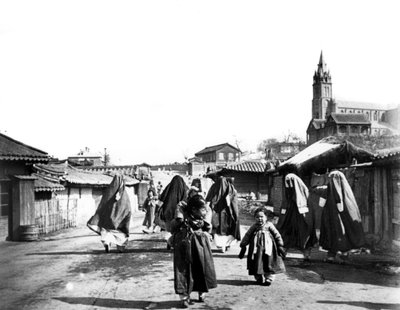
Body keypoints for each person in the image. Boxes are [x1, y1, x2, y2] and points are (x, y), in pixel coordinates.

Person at [170, 194, 217, 308]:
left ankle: (202, 292)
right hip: (184, 246)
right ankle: (184, 297)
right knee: (183, 270)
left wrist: (206, 230)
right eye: (202, 210)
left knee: (201, 267)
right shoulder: (182, 218)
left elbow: (209, 228)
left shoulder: (204, 219)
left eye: (205, 210)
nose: (205, 212)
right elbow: (172, 228)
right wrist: (180, 220)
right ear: (194, 209)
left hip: (201, 246)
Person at [318, 170, 365, 263]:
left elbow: (321, 203)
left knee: (333, 234)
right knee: (343, 233)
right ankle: (343, 255)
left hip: (331, 218)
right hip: (341, 219)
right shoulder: (346, 191)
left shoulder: (328, 189)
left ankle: (332, 256)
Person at [239, 206, 286, 286]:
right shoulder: (254, 226)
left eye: (261, 217)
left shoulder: (269, 225)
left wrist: (280, 245)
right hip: (256, 248)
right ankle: (258, 277)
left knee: (269, 262)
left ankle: (269, 278)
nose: (259, 219)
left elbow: (277, 235)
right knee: (256, 262)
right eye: (257, 217)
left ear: (266, 217)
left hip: (268, 248)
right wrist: (243, 245)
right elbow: (248, 235)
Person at [277, 173, 318, 261]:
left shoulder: (303, 191)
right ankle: (284, 251)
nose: (288, 184)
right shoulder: (288, 193)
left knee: (304, 234)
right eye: (287, 182)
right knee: (286, 232)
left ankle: (306, 254)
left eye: (290, 182)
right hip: (290, 216)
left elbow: (306, 205)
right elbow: (285, 203)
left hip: (301, 218)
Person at [87, 174, 131, 253]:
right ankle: (120, 248)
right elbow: (127, 209)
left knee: (106, 233)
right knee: (121, 235)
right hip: (120, 223)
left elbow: (103, 205)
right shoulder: (124, 195)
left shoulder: (109, 191)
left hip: (108, 221)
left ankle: (107, 243)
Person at [206, 176, 241, 252]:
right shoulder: (230, 188)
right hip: (227, 213)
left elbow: (209, 198)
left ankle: (224, 246)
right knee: (226, 229)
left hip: (221, 213)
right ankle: (225, 245)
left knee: (221, 229)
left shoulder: (216, 187)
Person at [157, 175, 188, 246]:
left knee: (171, 229)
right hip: (180, 213)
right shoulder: (184, 187)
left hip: (168, 212)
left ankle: (171, 241)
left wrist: (157, 209)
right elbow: (186, 198)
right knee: (179, 228)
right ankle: (175, 241)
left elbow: (162, 198)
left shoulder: (169, 187)